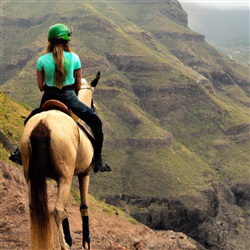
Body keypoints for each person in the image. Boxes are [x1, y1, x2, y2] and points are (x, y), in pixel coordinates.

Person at [9, 23, 110, 173]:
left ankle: (19, 153)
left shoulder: (42, 60)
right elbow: (77, 83)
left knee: (29, 121)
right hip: (69, 97)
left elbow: (40, 87)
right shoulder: (74, 58)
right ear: (67, 41)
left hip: (48, 97)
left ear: (50, 41)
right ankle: (99, 160)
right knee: (96, 122)